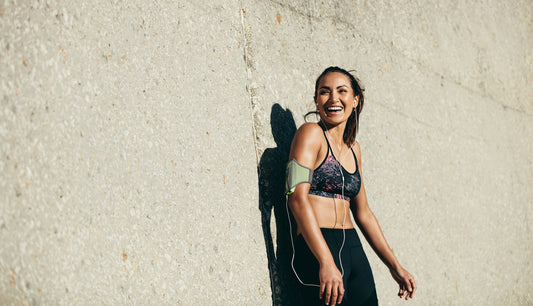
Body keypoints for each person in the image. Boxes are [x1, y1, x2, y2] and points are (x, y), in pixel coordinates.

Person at [285, 66, 416, 305]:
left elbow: (364, 213)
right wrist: (325, 260)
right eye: (325, 92)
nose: (333, 98)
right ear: (316, 100)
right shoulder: (310, 133)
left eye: (341, 91)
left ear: (355, 100)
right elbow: (296, 197)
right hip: (318, 246)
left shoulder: (354, 148)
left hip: (353, 248)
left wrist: (395, 266)